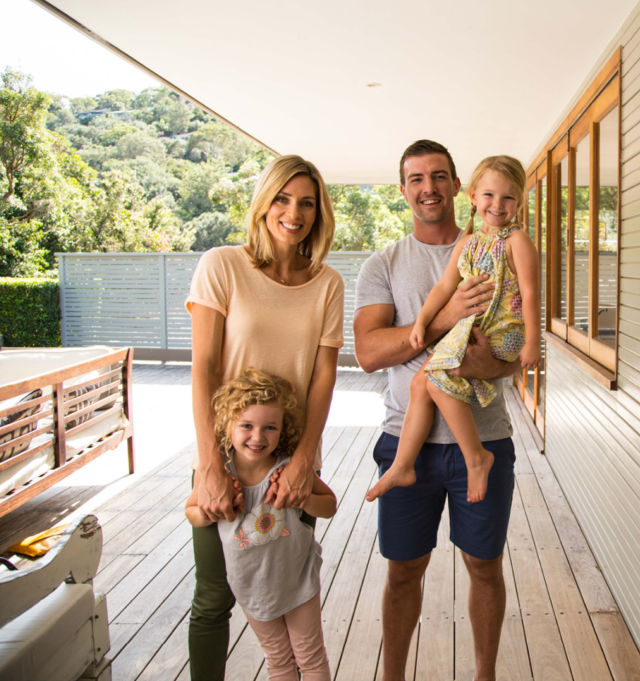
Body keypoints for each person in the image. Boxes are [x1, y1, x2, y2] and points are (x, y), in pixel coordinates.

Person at [354, 140, 521, 681]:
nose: (428, 187)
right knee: (403, 572)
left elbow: (509, 356)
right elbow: (368, 353)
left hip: (485, 440)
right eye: (416, 178)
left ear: (457, 186)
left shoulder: (499, 250)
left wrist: (478, 365)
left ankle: (484, 676)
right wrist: (446, 316)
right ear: (403, 190)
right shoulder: (385, 264)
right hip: (408, 441)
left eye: (438, 176)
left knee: (485, 567)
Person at [186, 155, 345, 680]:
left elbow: (323, 380)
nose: (293, 213)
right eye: (282, 198)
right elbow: (205, 366)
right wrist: (210, 463)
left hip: (290, 469)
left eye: (306, 203)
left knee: (294, 591)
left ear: (319, 213)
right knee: (214, 596)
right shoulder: (221, 265)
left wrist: (303, 460)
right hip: (229, 458)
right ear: (263, 201)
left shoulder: (327, 284)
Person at [366, 155, 540, 504]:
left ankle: (476, 457)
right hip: (479, 327)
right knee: (420, 384)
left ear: (519, 203)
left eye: (508, 198)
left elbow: (532, 290)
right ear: (473, 196)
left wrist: (533, 341)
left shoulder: (516, 240)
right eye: (489, 195)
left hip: (500, 331)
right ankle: (402, 464)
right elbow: (444, 288)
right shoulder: (469, 242)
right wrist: (421, 321)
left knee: (432, 381)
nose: (497, 205)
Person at [185, 368, 336, 681]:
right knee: (278, 659)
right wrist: (216, 510)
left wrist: (301, 498)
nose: (258, 437)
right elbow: (192, 512)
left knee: (310, 658)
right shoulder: (218, 475)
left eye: (270, 427)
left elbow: (329, 505)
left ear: (283, 430)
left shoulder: (288, 467)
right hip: (251, 586)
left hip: (297, 581)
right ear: (227, 425)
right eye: (247, 426)